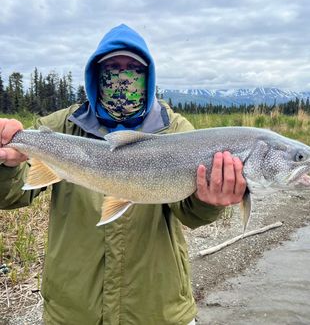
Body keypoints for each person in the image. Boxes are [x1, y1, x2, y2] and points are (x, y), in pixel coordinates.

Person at [0, 24, 246, 325]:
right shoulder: (61, 126)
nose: (122, 77)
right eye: (113, 67)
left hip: (157, 309)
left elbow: (191, 215)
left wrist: (210, 202)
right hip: (73, 311)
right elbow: (12, 196)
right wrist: (7, 165)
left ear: (148, 76)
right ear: (96, 75)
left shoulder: (177, 131)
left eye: (133, 68)